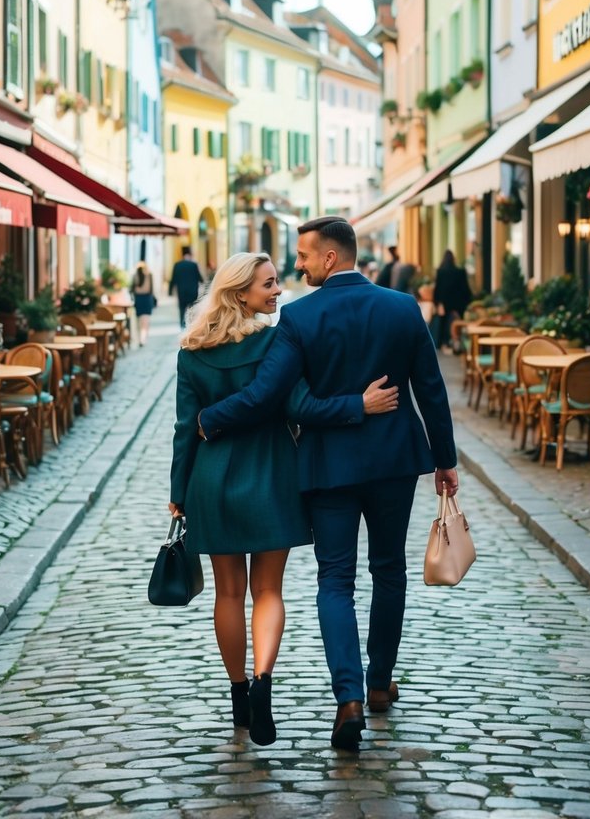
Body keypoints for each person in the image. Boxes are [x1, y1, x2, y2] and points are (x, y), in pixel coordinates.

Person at [198, 217, 459, 752]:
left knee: (334, 581)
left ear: (330, 258)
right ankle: (380, 680)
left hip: (327, 467)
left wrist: (209, 418)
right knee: (389, 570)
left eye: (302, 256)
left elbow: (276, 397)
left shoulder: (298, 318)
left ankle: (349, 698)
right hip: (394, 462)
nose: (296, 266)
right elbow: (431, 390)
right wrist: (445, 460)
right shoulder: (402, 308)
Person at [169, 252, 399, 747]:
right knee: (267, 591)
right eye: (269, 285)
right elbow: (295, 404)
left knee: (228, 592)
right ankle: (263, 686)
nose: (278, 291)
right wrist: (354, 404)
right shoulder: (278, 341)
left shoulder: (191, 350)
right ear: (240, 293)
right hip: (271, 472)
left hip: (211, 477)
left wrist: (177, 493)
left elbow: (185, 427)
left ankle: (238, 698)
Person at [432, 250, 473, 352]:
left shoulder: (440, 272)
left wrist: (437, 302)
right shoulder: (460, 272)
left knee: (443, 323)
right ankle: (459, 342)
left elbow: (438, 288)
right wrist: (469, 300)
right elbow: (465, 288)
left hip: (445, 302)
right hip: (459, 302)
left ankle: (442, 343)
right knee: (460, 322)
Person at [169, 246, 205, 328]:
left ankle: (182, 325)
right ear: (190, 254)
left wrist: (170, 291)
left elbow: (173, 279)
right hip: (192, 291)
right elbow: (200, 279)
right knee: (192, 308)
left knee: (182, 308)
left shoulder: (177, 265)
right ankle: (191, 325)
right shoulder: (194, 265)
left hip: (181, 291)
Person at [130, 261, 155, 348]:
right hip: (147, 299)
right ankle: (143, 338)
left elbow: (132, 289)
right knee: (146, 320)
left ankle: (139, 338)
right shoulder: (149, 275)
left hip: (138, 299)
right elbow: (151, 289)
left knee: (139, 320)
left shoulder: (135, 276)